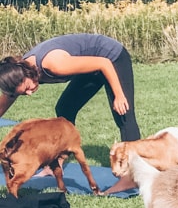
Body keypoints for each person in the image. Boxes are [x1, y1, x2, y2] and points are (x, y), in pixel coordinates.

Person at [0, 33, 142, 142]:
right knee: (65, 108)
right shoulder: (16, 75)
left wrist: (119, 95)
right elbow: (2, 106)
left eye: (27, 88)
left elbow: (103, 63)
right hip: (92, 65)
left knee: (123, 113)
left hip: (111, 57)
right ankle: (58, 162)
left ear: (28, 74)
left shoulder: (55, 65)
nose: (29, 93)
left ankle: (134, 173)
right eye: (23, 93)